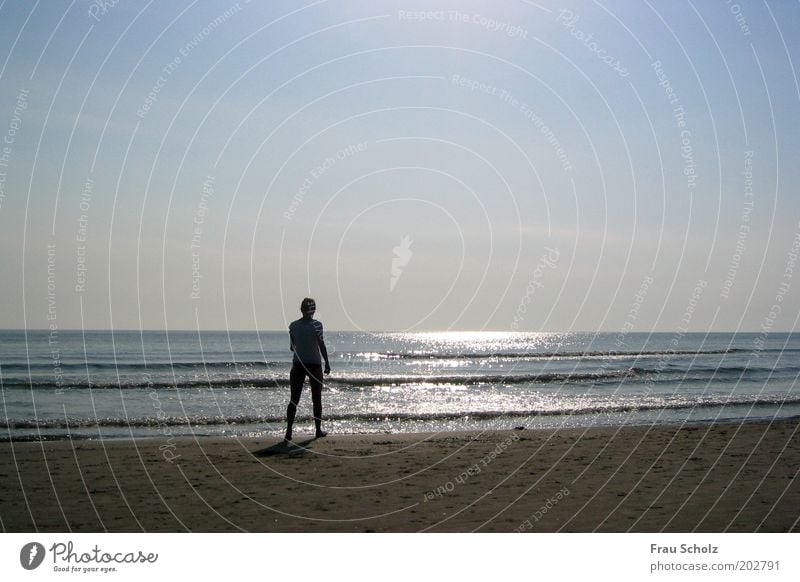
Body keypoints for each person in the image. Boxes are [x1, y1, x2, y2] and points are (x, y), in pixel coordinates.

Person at [285, 297, 331, 442]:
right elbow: (321, 345)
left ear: (301, 309)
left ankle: (289, 431)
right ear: (313, 310)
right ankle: (317, 430)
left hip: (298, 364)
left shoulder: (293, 326)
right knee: (316, 399)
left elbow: (292, 347)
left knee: (294, 399)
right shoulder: (317, 325)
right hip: (314, 364)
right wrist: (327, 363)